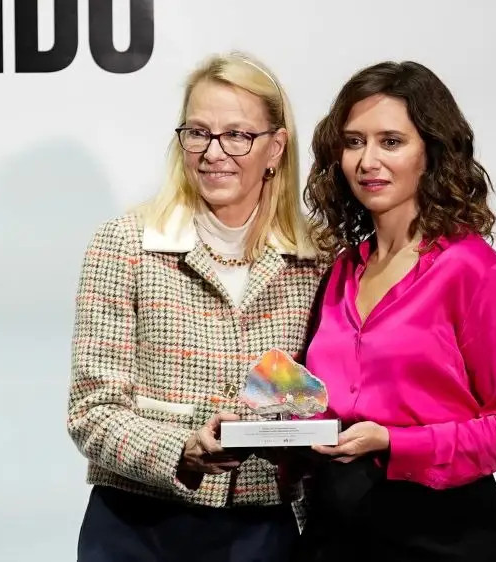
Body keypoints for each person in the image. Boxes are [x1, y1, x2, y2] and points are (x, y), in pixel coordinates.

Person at [66, 51, 325, 562]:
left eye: (237, 135)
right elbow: (91, 413)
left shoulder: (317, 259)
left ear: (276, 146)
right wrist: (183, 449)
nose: (213, 152)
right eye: (198, 132)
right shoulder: (125, 245)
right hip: (138, 529)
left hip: (264, 531)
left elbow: (317, 396)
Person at [287, 61, 496, 562]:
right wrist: (267, 422)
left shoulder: (476, 273)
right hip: (333, 535)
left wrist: (396, 443)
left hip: (441, 534)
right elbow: (327, 401)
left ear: (432, 152)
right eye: (354, 141)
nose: (367, 161)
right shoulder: (341, 272)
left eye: (390, 141)